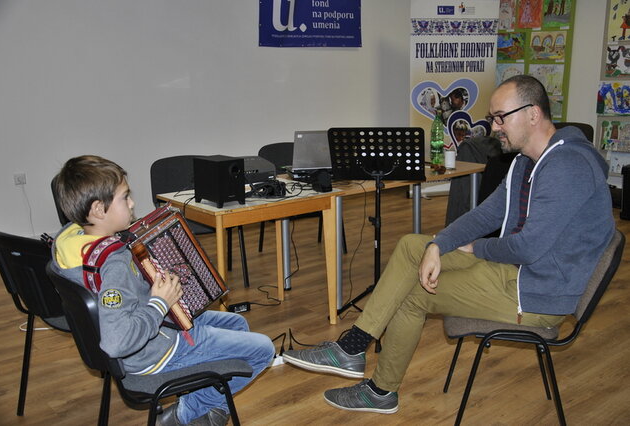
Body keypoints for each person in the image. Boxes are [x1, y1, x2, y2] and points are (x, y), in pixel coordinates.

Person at [282, 75, 615, 414]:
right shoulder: (526, 161)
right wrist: (438, 245)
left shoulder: (568, 166)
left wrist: (476, 249)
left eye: (501, 117)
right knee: (415, 245)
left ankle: (380, 390)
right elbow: (486, 215)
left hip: (535, 294)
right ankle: (352, 348)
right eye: (492, 117)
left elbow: (528, 247)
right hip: (516, 272)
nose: (494, 126)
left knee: (415, 295)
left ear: (532, 114)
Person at [50, 155, 275, 426]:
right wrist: (159, 302)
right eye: (125, 197)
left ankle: (207, 401)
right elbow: (116, 342)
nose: (132, 203)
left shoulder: (70, 240)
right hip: (156, 352)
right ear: (98, 210)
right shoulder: (114, 264)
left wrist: (154, 291)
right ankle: (185, 413)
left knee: (237, 322)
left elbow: (121, 302)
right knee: (263, 350)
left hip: (153, 330)